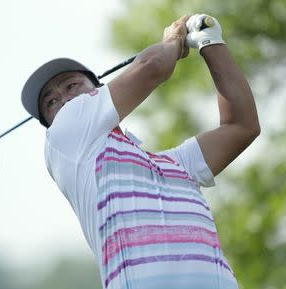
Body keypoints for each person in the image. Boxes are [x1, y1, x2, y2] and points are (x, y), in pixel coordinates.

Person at [21, 14, 260, 289]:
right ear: (51, 123)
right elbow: (153, 66)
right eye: (51, 102)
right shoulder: (64, 134)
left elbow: (242, 126)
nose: (64, 100)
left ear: (99, 91)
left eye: (72, 85)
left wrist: (209, 40)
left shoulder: (176, 165)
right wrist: (173, 40)